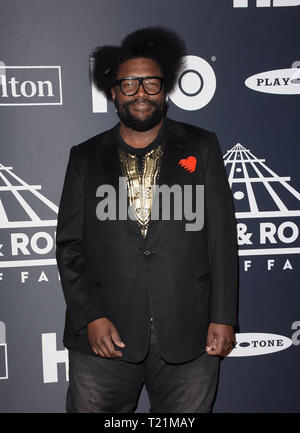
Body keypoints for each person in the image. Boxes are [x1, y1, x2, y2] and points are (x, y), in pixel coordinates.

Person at [56, 26, 239, 413]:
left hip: (189, 335)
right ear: (113, 92)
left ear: (166, 89)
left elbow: (221, 240)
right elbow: (70, 246)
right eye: (129, 85)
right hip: (104, 337)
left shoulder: (202, 146)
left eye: (151, 84)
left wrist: (223, 317)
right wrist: (90, 315)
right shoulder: (85, 157)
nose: (141, 93)